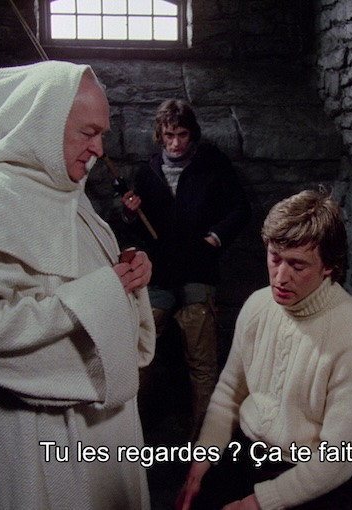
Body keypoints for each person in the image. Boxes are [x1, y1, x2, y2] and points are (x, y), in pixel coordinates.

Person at [0, 60, 156, 510]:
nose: (99, 149)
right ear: (44, 124)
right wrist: (92, 297)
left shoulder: (70, 193)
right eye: (88, 133)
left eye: (102, 134)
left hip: (108, 426)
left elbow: (91, 281)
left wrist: (128, 276)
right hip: (45, 433)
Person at [176, 187, 352, 510]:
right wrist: (200, 464)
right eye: (275, 258)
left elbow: (338, 458)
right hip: (246, 453)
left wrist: (259, 503)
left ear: (329, 267)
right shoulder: (257, 306)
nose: (280, 277)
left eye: (297, 265)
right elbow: (229, 394)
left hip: (311, 472)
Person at [120, 99, 251, 435]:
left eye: (182, 134)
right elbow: (137, 229)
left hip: (197, 273)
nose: (175, 143)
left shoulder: (212, 165)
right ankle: (131, 436)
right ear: (160, 135)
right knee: (141, 355)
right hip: (159, 276)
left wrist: (214, 239)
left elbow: (240, 208)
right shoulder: (147, 172)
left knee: (202, 363)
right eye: (169, 135)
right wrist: (131, 214)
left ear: (192, 133)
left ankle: (204, 443)